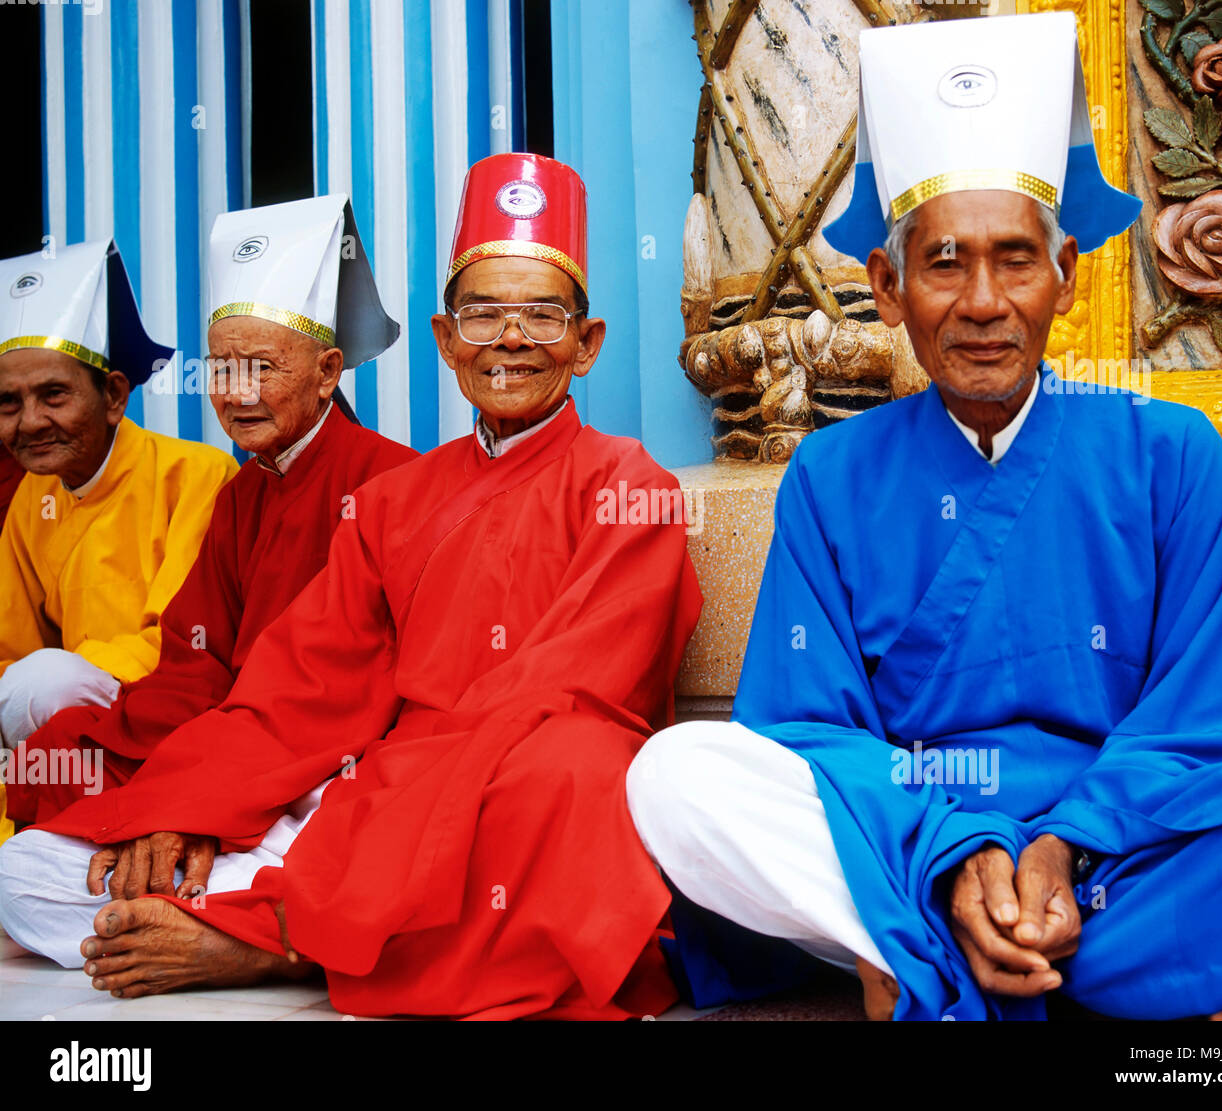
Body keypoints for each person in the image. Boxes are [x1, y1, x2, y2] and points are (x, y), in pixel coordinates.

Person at [627, 10, 1222, 1021]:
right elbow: (803, 727)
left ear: (1065, 275)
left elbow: (1204, 724)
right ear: (888, 286)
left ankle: (924, 953)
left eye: (1014, 259)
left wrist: (1058, 844)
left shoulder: (1172, 455)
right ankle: (1027, 952)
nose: (982, 300)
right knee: (676, 775)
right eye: (943, 262)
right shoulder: (832, 471)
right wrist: (956, 849)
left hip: (1116, 848)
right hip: (907, 837)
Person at [0, 153, 702, 1020]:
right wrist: (191, 803)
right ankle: (292, 917)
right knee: (23, 874)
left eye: (542, 315)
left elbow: (579, 686)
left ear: (586, 347)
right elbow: (301, 688)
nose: (510, 340)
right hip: (372, 788)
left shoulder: (629, 484)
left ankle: (276, 940)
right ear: (446, 340)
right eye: (482, 314)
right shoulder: (391, 502)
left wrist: (405, 792)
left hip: (505, 788)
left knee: (570, 773)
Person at [1, 196, 417, 829]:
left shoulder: (396, 482)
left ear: (327, 371)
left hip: (328, 757)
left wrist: (200, 787)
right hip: (225, 733)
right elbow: (193, 666)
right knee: (53, 786)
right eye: (222, 368)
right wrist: (145, 753)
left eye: (261, 368)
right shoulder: (242, 495)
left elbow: (379, 684)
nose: (237, 392)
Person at [0, 240, 239, 843]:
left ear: (112, 396)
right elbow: (10, 652)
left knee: (46, 680)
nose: (29, 422)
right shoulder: (34, 498)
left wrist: (61, 677)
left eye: (53, 395)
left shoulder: (195, 474)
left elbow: (185, 645)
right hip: (60, 724)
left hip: (168, 712)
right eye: (8, 403)